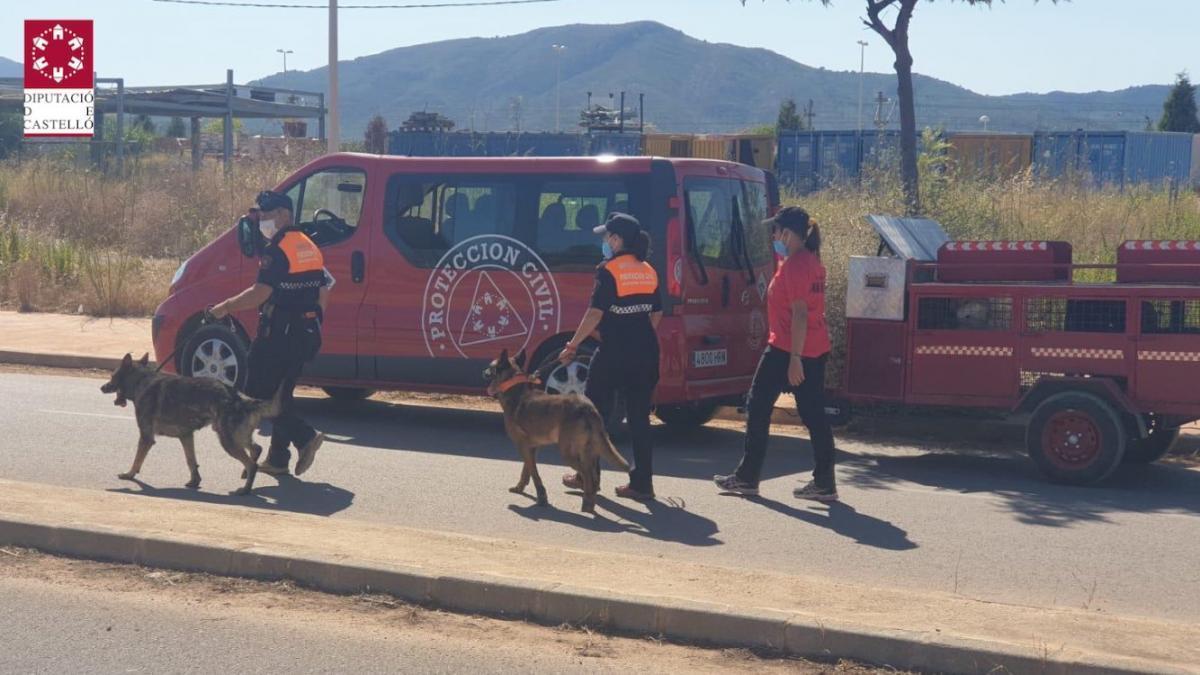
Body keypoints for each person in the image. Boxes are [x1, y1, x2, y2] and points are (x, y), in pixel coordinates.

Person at [714, 206, 838, 502]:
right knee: (813, 415)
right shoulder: (808, 261)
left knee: (757, 406)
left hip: (788, 348)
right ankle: (824, 483)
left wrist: (795, 358)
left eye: (776, 231)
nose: (773, 236)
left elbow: (799, 314)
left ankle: (747, 478)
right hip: (813, 347)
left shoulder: (796, 265)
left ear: (788, 233)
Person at [210, 190, 330, 477]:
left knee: (257, 396)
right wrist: (315, 320)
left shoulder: (277, 250)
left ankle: (305, 437)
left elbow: (260, 293)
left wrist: (225, 308)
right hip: (305, 332)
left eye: (268, 214)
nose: (262, 220)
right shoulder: (308, 246)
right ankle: (278, 459)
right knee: (282, 396)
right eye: (261, 215)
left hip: (277, 335)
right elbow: (324, 290)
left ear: (285, 216)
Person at [558, 213, 662, 501]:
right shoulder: (649, 270)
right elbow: (657, 312)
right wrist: (638, 333)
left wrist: (572, 345)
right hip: (646, 351)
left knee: (593, 415)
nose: (605, 241)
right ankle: (642, 484)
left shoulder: (609, 270)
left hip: (614, 353)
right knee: (640, 419)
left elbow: (594, 314)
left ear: (617, 240)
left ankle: (586, 477)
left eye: (607, 237)